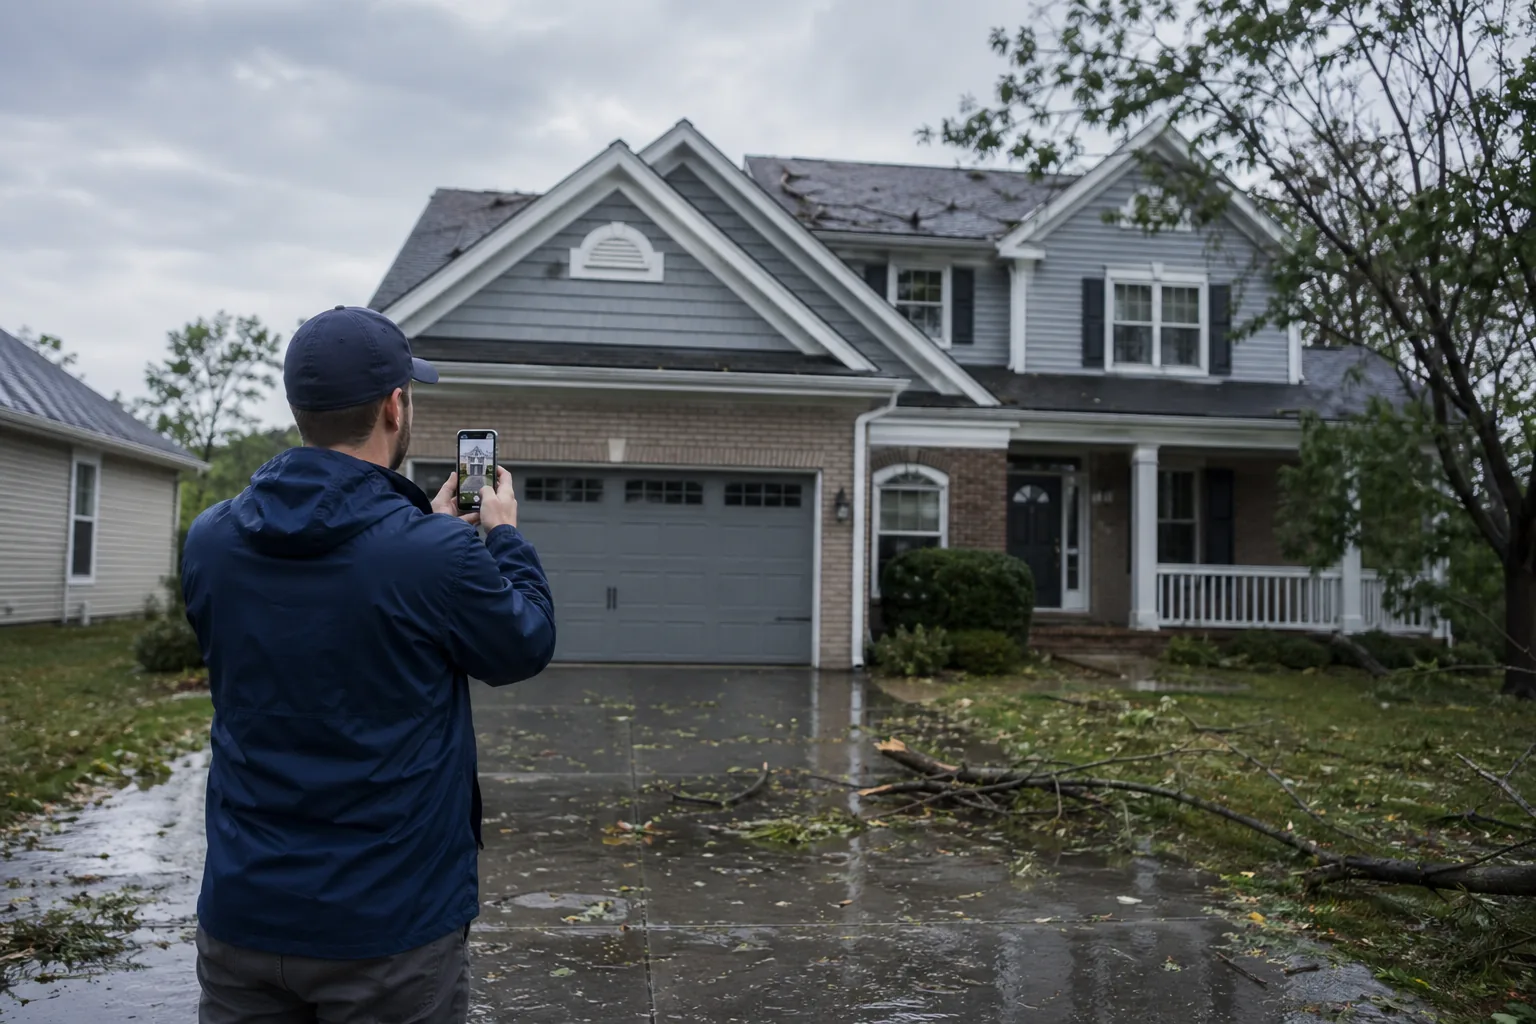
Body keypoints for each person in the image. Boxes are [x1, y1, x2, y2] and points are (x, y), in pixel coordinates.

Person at [181, 305, 556, 1023]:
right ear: (394, 405)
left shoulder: (211, 541)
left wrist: (426, 544)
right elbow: (524, 644)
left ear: (299, 410)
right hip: (388, 932)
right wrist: (500, 536)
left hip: (243, 913)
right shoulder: (430, 557)